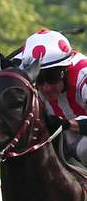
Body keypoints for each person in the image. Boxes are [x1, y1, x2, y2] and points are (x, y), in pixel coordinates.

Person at [19, 29, 87, 164]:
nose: (46, 88)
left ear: (65, 70)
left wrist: (67, 124)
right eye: (39, 79)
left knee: (84, 149)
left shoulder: (83, 74)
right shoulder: (30, 81)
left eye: (52, 77)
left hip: (79, 141)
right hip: (67, 140)